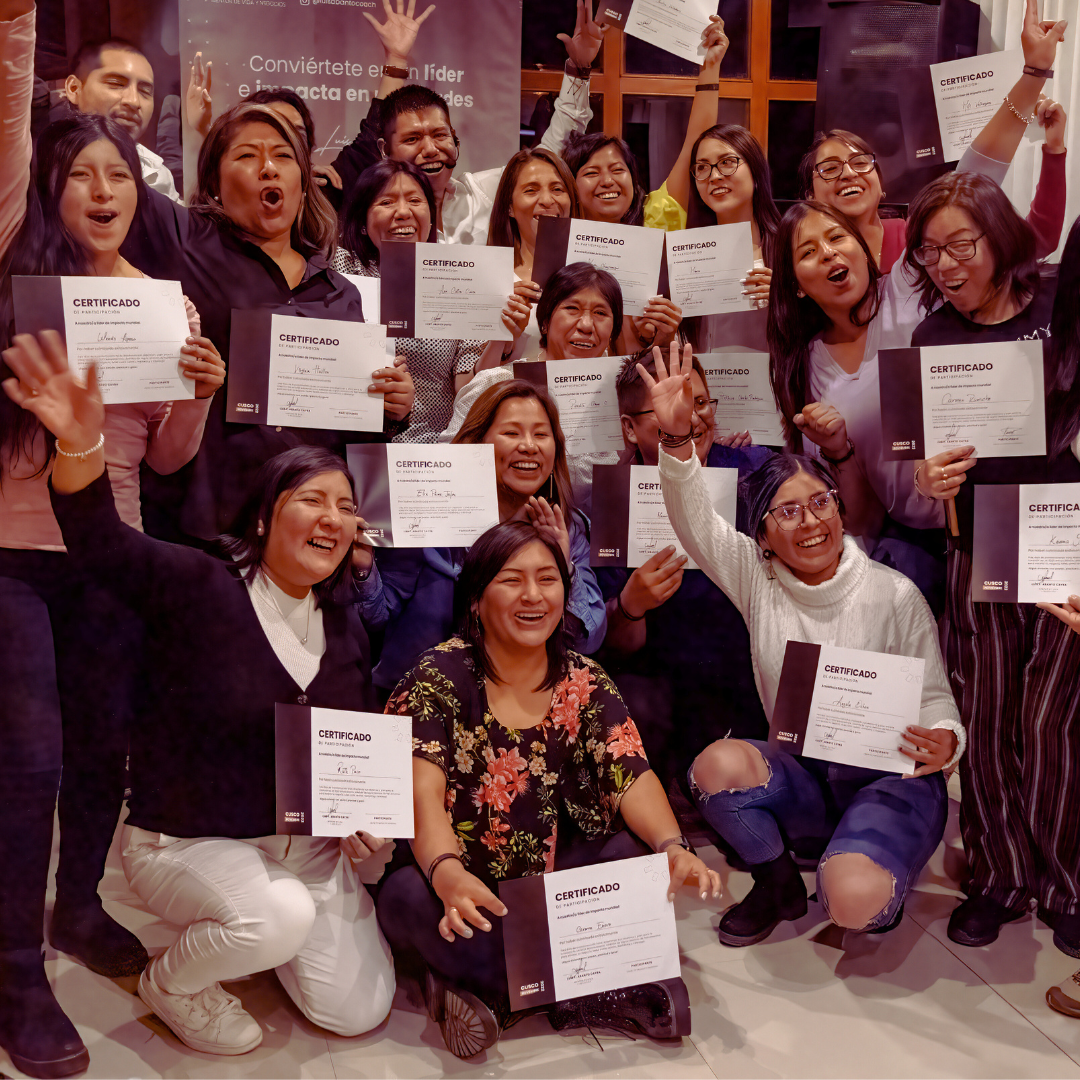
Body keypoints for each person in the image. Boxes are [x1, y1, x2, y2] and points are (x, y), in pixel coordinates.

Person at [3, 331, 396, 1055]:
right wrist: (82, 446)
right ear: (264, 517)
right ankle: (174, 982)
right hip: (190, 839)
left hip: (302, 848)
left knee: (358, 1010)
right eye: (312, 499)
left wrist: (360, 818)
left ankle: (264, 931)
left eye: (346, 507)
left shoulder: (344, 625)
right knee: (276, 918)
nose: (332, 517)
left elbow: (350, 749)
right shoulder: (200, 584)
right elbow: (102, 544)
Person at [0, 7, 222, 1072]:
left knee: (101, 750)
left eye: (120, 178)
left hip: (112, 554)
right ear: (50, 186)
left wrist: (199, 393)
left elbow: (168, 458)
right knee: (30, 760)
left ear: (141, 195)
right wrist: (16, 27)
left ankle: (78, 907)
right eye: (82, 174)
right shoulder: (20, 280)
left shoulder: (165, 305)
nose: (102, 191)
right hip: (12, 554)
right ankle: (15, 972)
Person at [641, 342, 964, 947]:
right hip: (807, 780)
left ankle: (868, 864)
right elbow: (694, 521)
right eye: (787, 513)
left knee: (853, 902)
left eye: (821, 503)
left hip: (890, 781)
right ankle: (778, 882)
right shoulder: (757, 578)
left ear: (839, 510)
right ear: (762, 537)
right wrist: (678, 440)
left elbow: (936, 698)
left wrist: (947, 738)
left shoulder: (893, 592)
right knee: (715, 765)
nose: (811, 522)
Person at [376, 518, 721, 1056]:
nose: (533, 596)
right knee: (404, 897)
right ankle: (590, 984)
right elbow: (420, 793)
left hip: (558, 885)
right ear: (476, 599)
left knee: (636, 857)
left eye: (547, 579)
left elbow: (630, 771)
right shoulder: (437, 676)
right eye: (512, 580)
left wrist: (673, 847)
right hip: (469, 888)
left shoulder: (584, 677)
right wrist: (447, 874)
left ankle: (496, 991)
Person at [119, 99, 415, 542]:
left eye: (282, 156)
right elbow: (105, 167)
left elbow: (350, 434)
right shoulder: (185, 242)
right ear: (214, 182)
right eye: (246, 155)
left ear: (303, 184)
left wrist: (391, 408)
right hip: (208, 534)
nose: (269, 168)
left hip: (305, 534)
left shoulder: (341, 294)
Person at [906, 204, 1080, 953]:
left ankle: (1067, 883)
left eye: (960, 245)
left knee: (1053, 723)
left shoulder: (1057, 308)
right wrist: (926, 478)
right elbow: (919, 460)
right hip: (978, 542)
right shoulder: (930, 338)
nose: (945, 265)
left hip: (1060, 537)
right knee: (989, 712)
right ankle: (1000, 878)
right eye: (928, 252)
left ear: (999, 239)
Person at [595, 352, 770, 790]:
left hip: (748, 663)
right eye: (665, 406)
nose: (687, 418)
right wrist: (631, 606)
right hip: (661, 674)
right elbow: (613, 644)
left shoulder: (754, 472)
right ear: (629, 428)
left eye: (699, 402)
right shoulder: (614, 500)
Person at [372, 378, 606, 698]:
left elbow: (588, 639)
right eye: (512, 433)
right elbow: (376, 616)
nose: (529, 446)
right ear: (477, 443)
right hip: (423, 699)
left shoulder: (568, 525)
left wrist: (562, 567)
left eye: (541, 434)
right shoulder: (428, 514)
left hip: (523, 700)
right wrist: (362, 568)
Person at [799, 0, 1068, 271]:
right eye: (829, 168)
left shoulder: (921, 237)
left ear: (880, 185)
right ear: (809, 195)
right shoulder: (799, 259)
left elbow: (1036, 239)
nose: (848, 174)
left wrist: (1036, 80)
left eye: (860, 163)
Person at [330, 0, 603, 244]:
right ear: (384, 150)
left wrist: (579, 71)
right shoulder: (370, 211)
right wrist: (396, 60)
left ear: (455, 139)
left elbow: (552, 154)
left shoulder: (483, 194)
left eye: (440, 135)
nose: (431, 149)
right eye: (412, 139)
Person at [441, 262, 624, 512]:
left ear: (613, 331)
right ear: (545, 323)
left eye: (600, 313)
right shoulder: (495, 382)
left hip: (578, 531)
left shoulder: (619, 401)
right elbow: (448, 465)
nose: (586, 325)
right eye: (572, 308)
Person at [478, 146, 680, 364]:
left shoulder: (600, 274)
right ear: (509, 206)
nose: (547, 200)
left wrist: (657, 337)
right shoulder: (489, 279)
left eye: (557, 189)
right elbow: (470, 379)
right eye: (531, 190)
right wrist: (502, 337)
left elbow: (622, 365)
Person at [333, 159, 483, 441]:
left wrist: (499, 334)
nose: (403, 212)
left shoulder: (456, 280)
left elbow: (467, 387)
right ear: (363, 222)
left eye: (415, 200)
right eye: (386, 202)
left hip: (432, 450)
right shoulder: (341, 268)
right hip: (356, 444)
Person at [183, 57, 345, 205]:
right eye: (276, 134)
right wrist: (205, 131)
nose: (288, 145)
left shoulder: (326, 193)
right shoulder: (231, 205)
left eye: (298, 135)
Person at [64, 36, 181, 201]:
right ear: (74, 89)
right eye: (116, 83)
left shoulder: (156, 173)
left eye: (145, 91)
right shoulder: (46, 169)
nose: (134, 101)